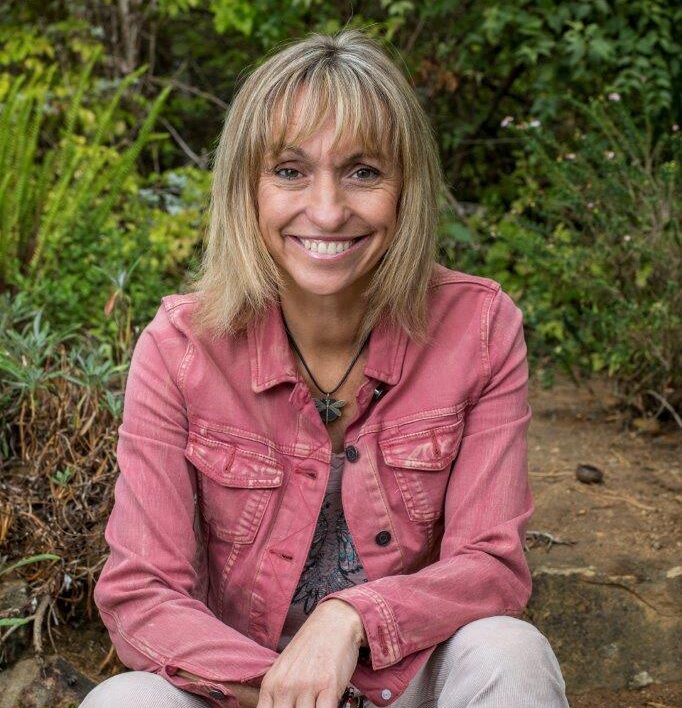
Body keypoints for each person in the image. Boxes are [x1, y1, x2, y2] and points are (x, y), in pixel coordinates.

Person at [80, 28, 569, 708]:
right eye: (290, 171)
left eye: (364, 171)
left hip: (408, 682)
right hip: (243, 690)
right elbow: (141, 595)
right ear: (246, 188)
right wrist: (289, 692)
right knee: (126, 703)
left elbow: (490, 568)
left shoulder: (478, 328)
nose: (329, 208)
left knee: (511, 653)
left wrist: (350, 617)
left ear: (406, 190)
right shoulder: (180, 347)